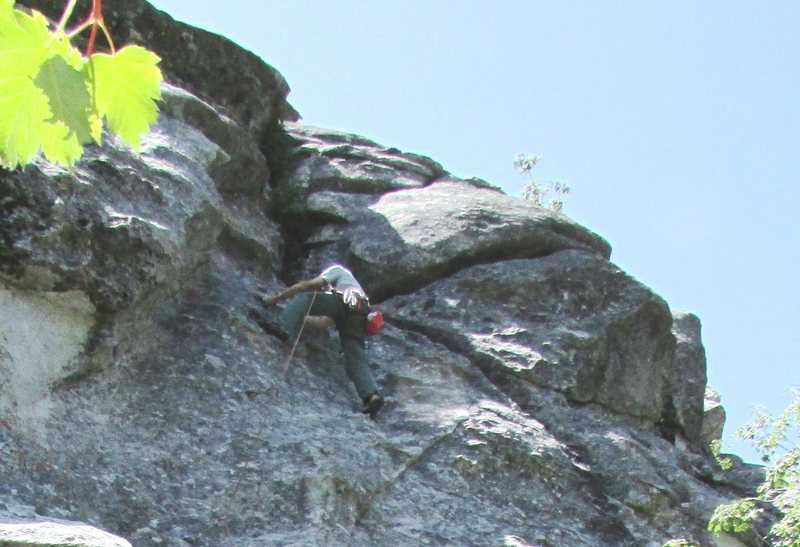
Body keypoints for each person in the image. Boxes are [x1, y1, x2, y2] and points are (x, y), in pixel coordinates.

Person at [254, 263, 384, 418]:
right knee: (355, 359)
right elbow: (323, 323)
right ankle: (372, 396)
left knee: (304, 298)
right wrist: (298, 316)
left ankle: (282, 326)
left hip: (343, 301)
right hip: (361, 317)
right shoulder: (357, 293)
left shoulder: (338, 271)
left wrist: (275, 299)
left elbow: (307, 286)